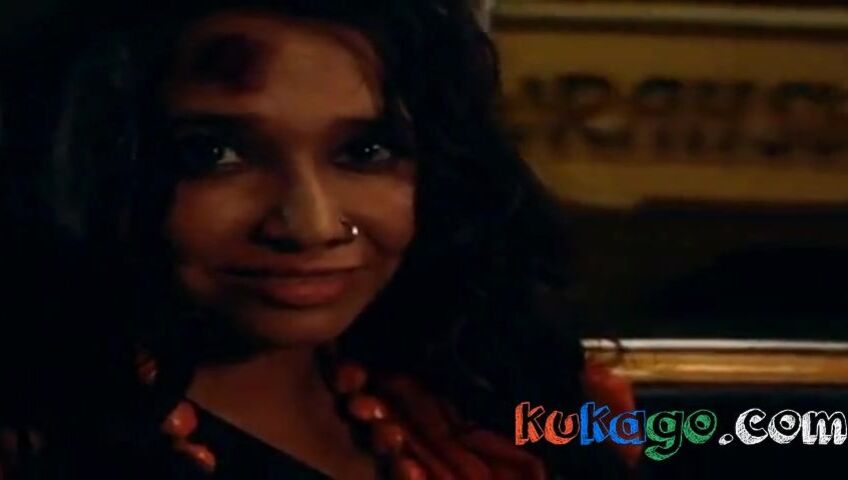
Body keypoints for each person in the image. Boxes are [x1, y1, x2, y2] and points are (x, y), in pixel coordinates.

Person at [0, 0, 636, 478]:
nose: (312, 225)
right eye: (213, 154)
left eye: (365, 151)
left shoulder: (480, 391)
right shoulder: (38, 444)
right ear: (84, 164)